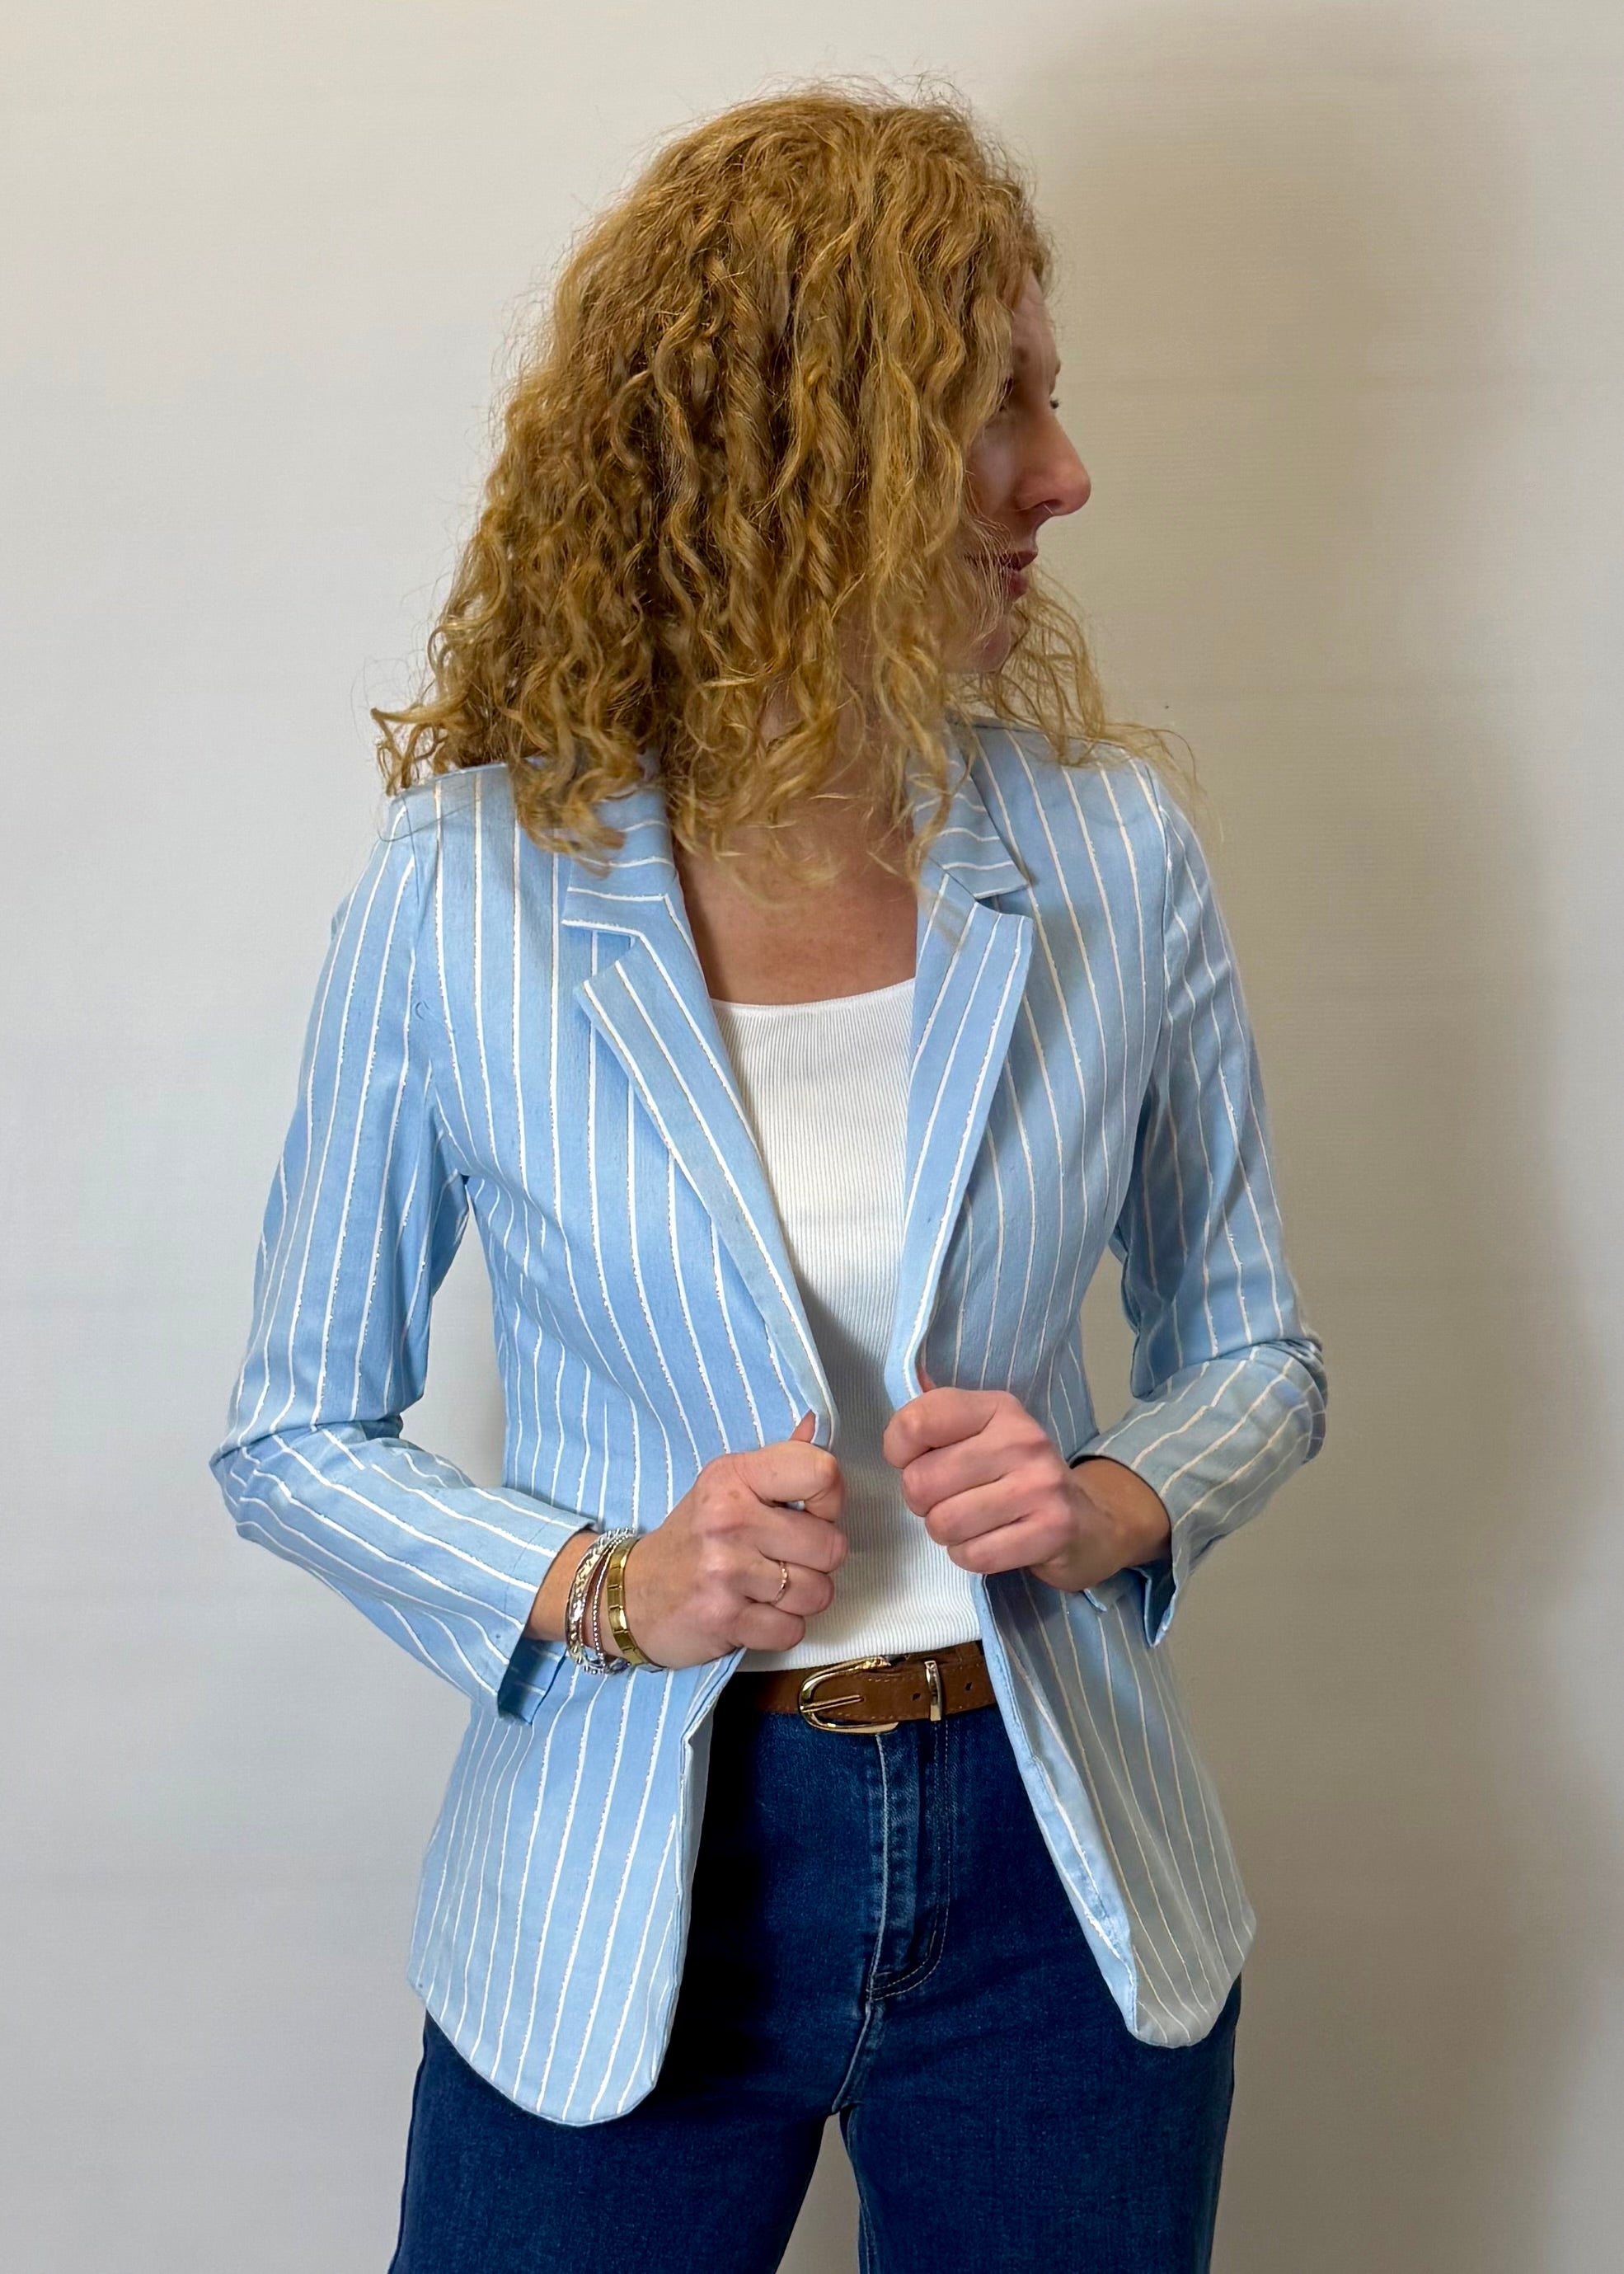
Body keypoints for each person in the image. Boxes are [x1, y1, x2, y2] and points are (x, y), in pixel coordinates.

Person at [211, 81, 1327, 2274]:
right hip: (628, 1874)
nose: (1065, 475)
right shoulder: (469, 896)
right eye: (992, 406)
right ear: (798, 448)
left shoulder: (1110, 858)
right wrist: (606, 1582)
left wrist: (1117, 1498)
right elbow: (290, 1433)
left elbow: (1253, 1343)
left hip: (1055, 1875)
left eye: (1054, 399)